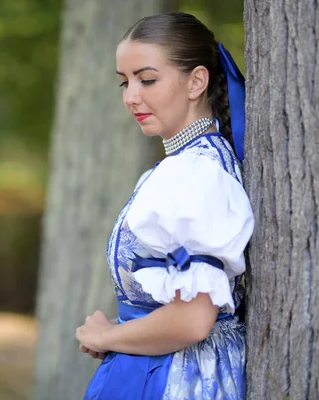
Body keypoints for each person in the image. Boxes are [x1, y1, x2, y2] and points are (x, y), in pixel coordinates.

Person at [75, 12, 253, 399]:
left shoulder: (198, 176)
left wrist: (109, 334)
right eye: (125, 82)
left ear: (196, 81)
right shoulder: (184, 168)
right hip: (156, 365)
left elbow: (192, 321)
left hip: (177, 378)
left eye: (147, 79)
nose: (131, 96)